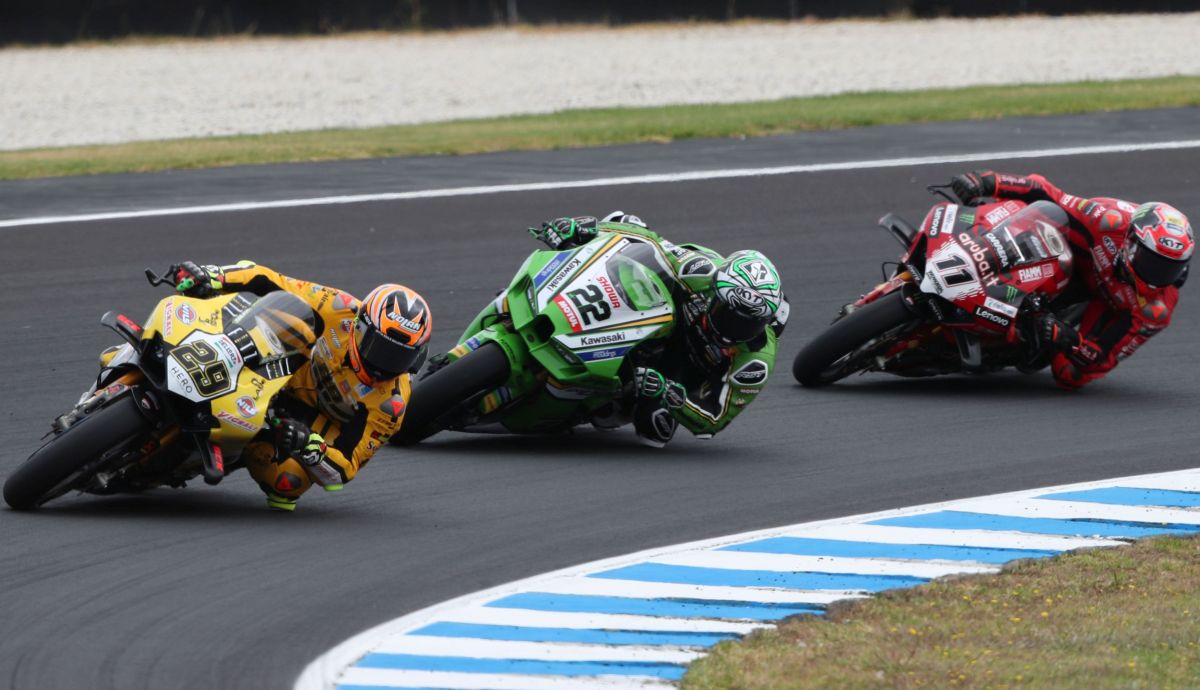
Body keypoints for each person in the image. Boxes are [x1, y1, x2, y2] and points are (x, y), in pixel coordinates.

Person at [169, 261, 431, 510]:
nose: (384, 365)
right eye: (381, 349)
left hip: (304, 423)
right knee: (277, 311)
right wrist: (214, 276)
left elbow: (344, 469)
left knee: (287, 483)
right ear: (360, 327)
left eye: (400, 357)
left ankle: (238, 446)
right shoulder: (339, 306)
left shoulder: (391, 404)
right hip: (278, 369)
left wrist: (308, 444)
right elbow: (273, 281)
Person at [528, 212, 788, 447]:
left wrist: (671, 395)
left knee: (655, 430)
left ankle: (582, 404)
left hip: (677, 377)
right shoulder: (698, 270)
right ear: (714, 293)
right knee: (624, 221)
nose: (734, 329)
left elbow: (714, 419)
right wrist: (586, 229)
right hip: (656, 321)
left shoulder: (755, 361)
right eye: (728, 314)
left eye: (748, 323)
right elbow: (648, 239)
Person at [950, 171, 1192, 389]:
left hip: (1104, 302)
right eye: (1151, 261)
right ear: (1131, 243)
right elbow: (1045, 191)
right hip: (1073, 256)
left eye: (1169, 268)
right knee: (1026, 210)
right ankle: (971, 245)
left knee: (1070, 374)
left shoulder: (1154, 310)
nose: (1158, 275)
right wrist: (986, 182)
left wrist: (1069, 340)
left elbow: (1101, 358)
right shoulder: (1108, 220)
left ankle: (1011, 338)